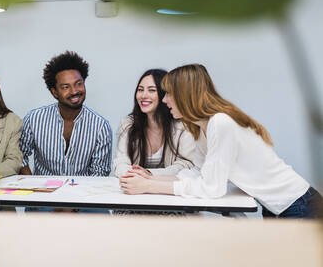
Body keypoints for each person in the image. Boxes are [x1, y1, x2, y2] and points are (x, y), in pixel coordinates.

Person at [119, 64, 323, 219]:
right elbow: (197, 173)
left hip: (299, 205)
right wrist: (150, 178)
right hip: (275, 206)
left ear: (185, 95)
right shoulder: (200, 126)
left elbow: (212, 188)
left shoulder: (221, 123)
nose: (164, 100)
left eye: (169, 94)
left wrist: (148, 187)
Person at [19, 51, 112, 176]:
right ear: (54, 92)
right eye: (65, 87)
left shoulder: (100, 126)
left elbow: (99, 173)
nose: (74, 91)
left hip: (82, 193)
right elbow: (19, 157)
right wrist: (32, 186)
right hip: (43, 193)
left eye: (79, 84)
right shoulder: (34, 119)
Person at [113, 69, 202, 178]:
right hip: (134, 188)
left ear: (164, 94)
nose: (143, 95)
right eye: (140, 90)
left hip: (167, 189)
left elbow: (186, 164)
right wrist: (131, 175)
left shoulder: (183, 125)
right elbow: (121, 162)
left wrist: (149, 174)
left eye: (151, 90)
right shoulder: (128, 123)